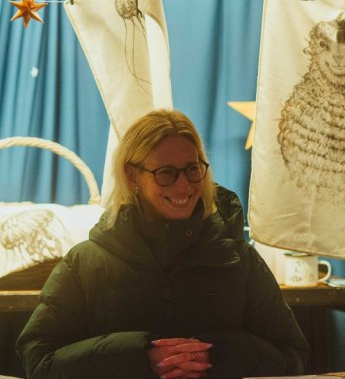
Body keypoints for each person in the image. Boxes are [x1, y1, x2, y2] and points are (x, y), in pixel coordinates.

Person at [16, 109, 309, 379]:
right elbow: (38, 360)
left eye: (192, 169)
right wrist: (139, 357)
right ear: (132, 176)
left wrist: (211, 355)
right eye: (166, 173)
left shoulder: (240, 260)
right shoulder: (85, 263)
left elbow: (293, 355)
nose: (183, 186)